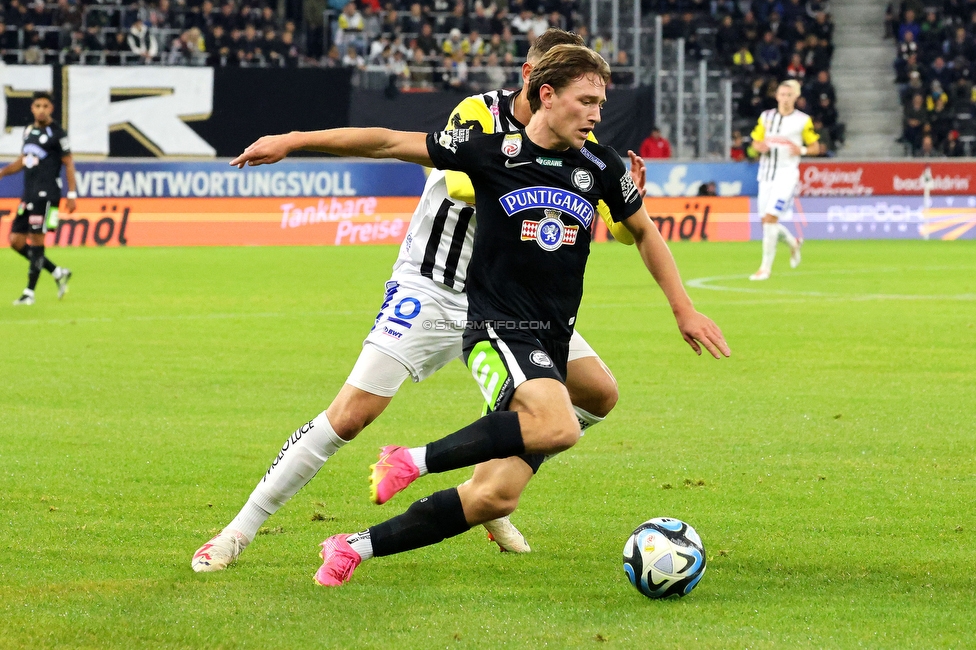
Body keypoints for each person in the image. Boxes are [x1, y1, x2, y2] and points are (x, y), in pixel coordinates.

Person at [229, 44, 729, 586]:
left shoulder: (599, 165)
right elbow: (389, 141)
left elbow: (643, 230)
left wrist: (684, 308)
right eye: (586, 101)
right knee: (551, 425)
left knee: (502, 487)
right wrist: (292, 141)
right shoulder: (489, 146)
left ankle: (354, 547)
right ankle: (397, 466)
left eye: (601, 104)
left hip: (548, 330)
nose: (596, 115)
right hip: (477, 311)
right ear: (544, 91)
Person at [0, 92, 74, 305]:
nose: (41, 109)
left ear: (51, 108)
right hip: (29, 194)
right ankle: (57, 271)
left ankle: (29, 293)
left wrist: (71, 194)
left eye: (45, 105)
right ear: (32, 108)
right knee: (16, 241)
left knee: (37, 239)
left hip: (47, 194)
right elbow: (24, 160)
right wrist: (4, 172)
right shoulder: (29, 131)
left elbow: (69, 162)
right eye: (37, 105)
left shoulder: (58, 133)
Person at [748, 79, 820, 281]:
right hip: (766, 175)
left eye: (790, 95)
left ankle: (765, 269)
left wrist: (803, 150)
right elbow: (755, 141)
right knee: (766, 223)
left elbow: (815, 147)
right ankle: (793, 242)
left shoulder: (803, 120)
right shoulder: (766, 117)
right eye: (782, 94)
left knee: (771, 218)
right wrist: (758, 147)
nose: (785, 99)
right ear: (777, 96)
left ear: (796, 97)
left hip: (786, 176)